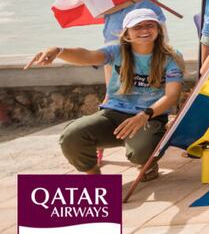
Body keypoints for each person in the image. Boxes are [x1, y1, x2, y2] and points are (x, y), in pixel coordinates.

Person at [30, 9, 184, 179]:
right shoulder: (116, 52)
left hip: (149, 117)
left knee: (141, 152)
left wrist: (144, 115)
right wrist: (58, 50)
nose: (145, 30)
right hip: (113, 114)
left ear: (158, 30)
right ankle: (94, 176)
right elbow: (88, 55)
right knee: (72, 135)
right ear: (127, 33)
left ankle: (147, 163)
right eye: (137, 27)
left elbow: (171, 96)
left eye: (150, 25)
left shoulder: (171, 57)